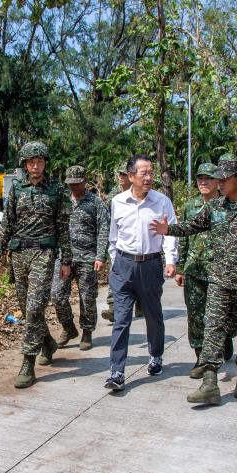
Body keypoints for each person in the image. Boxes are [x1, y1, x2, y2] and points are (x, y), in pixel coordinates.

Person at [151, 158, 237, 405]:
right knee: (213, 328)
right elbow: (192, 226)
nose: (219, 183)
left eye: (224, 179)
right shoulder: (216, 206)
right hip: (219, 280)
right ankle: (209, 382)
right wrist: (169, 231)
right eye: (218, 179)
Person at [0, 142, 72, 388]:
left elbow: (63, 227)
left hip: (44, 253)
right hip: (19, 254)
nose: (35, 165)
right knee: (27, 309)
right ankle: (47, 341)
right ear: (25, 165)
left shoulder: (57, 190)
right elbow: (7, 223)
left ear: (45, 163)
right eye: (30, 162)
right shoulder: (16, 188)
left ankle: (28, 362)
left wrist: (66, 259)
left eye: (39, 161)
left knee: (35, 307)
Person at [103, 154, 177, 391]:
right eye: (143, 173)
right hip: (123, 266)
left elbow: (170, 232)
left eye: (151, 173)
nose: (148, 177)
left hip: (150, 265)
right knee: (121, 320)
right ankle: (117, 371)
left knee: (153, 317)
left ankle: (155, 355)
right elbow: (113, 237)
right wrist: (116, 263)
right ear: (131, 176)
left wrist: (170, 260)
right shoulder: (118, 202)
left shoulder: (162, 201)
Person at [175, 162, 233, 375]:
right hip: (195, 268)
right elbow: (184, 237)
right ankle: (201, 357)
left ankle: (224, 339)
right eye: (200, 178)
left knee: (221, 316)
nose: (203, 182)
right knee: (196, 316)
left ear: (219, 181)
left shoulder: (227, 205)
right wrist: (180, 267)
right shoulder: (191, 206)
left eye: (208, 178)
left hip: (220, 270)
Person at [52, 165, 109, 351]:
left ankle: (87, 331)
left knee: (87, 297)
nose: (74, 187)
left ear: (85, 181)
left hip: (87, 257)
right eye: (71, 184)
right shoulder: (62, 201)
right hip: (64, 257)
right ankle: (69, 328)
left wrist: (100, 256)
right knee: (57, 294)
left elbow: (103, 230)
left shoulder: (95, 202)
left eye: (77, 183)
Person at [102, 160, 143, 322]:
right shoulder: (113, 195)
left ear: (132, 176)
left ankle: (142, 302)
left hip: (137, 242)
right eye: (119, 174)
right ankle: (113, 307)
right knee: (116, 273)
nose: (120, 177)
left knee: (139, 275)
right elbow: (107, 219)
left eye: (124, 174)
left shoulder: (142, 193)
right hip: (118, 241)